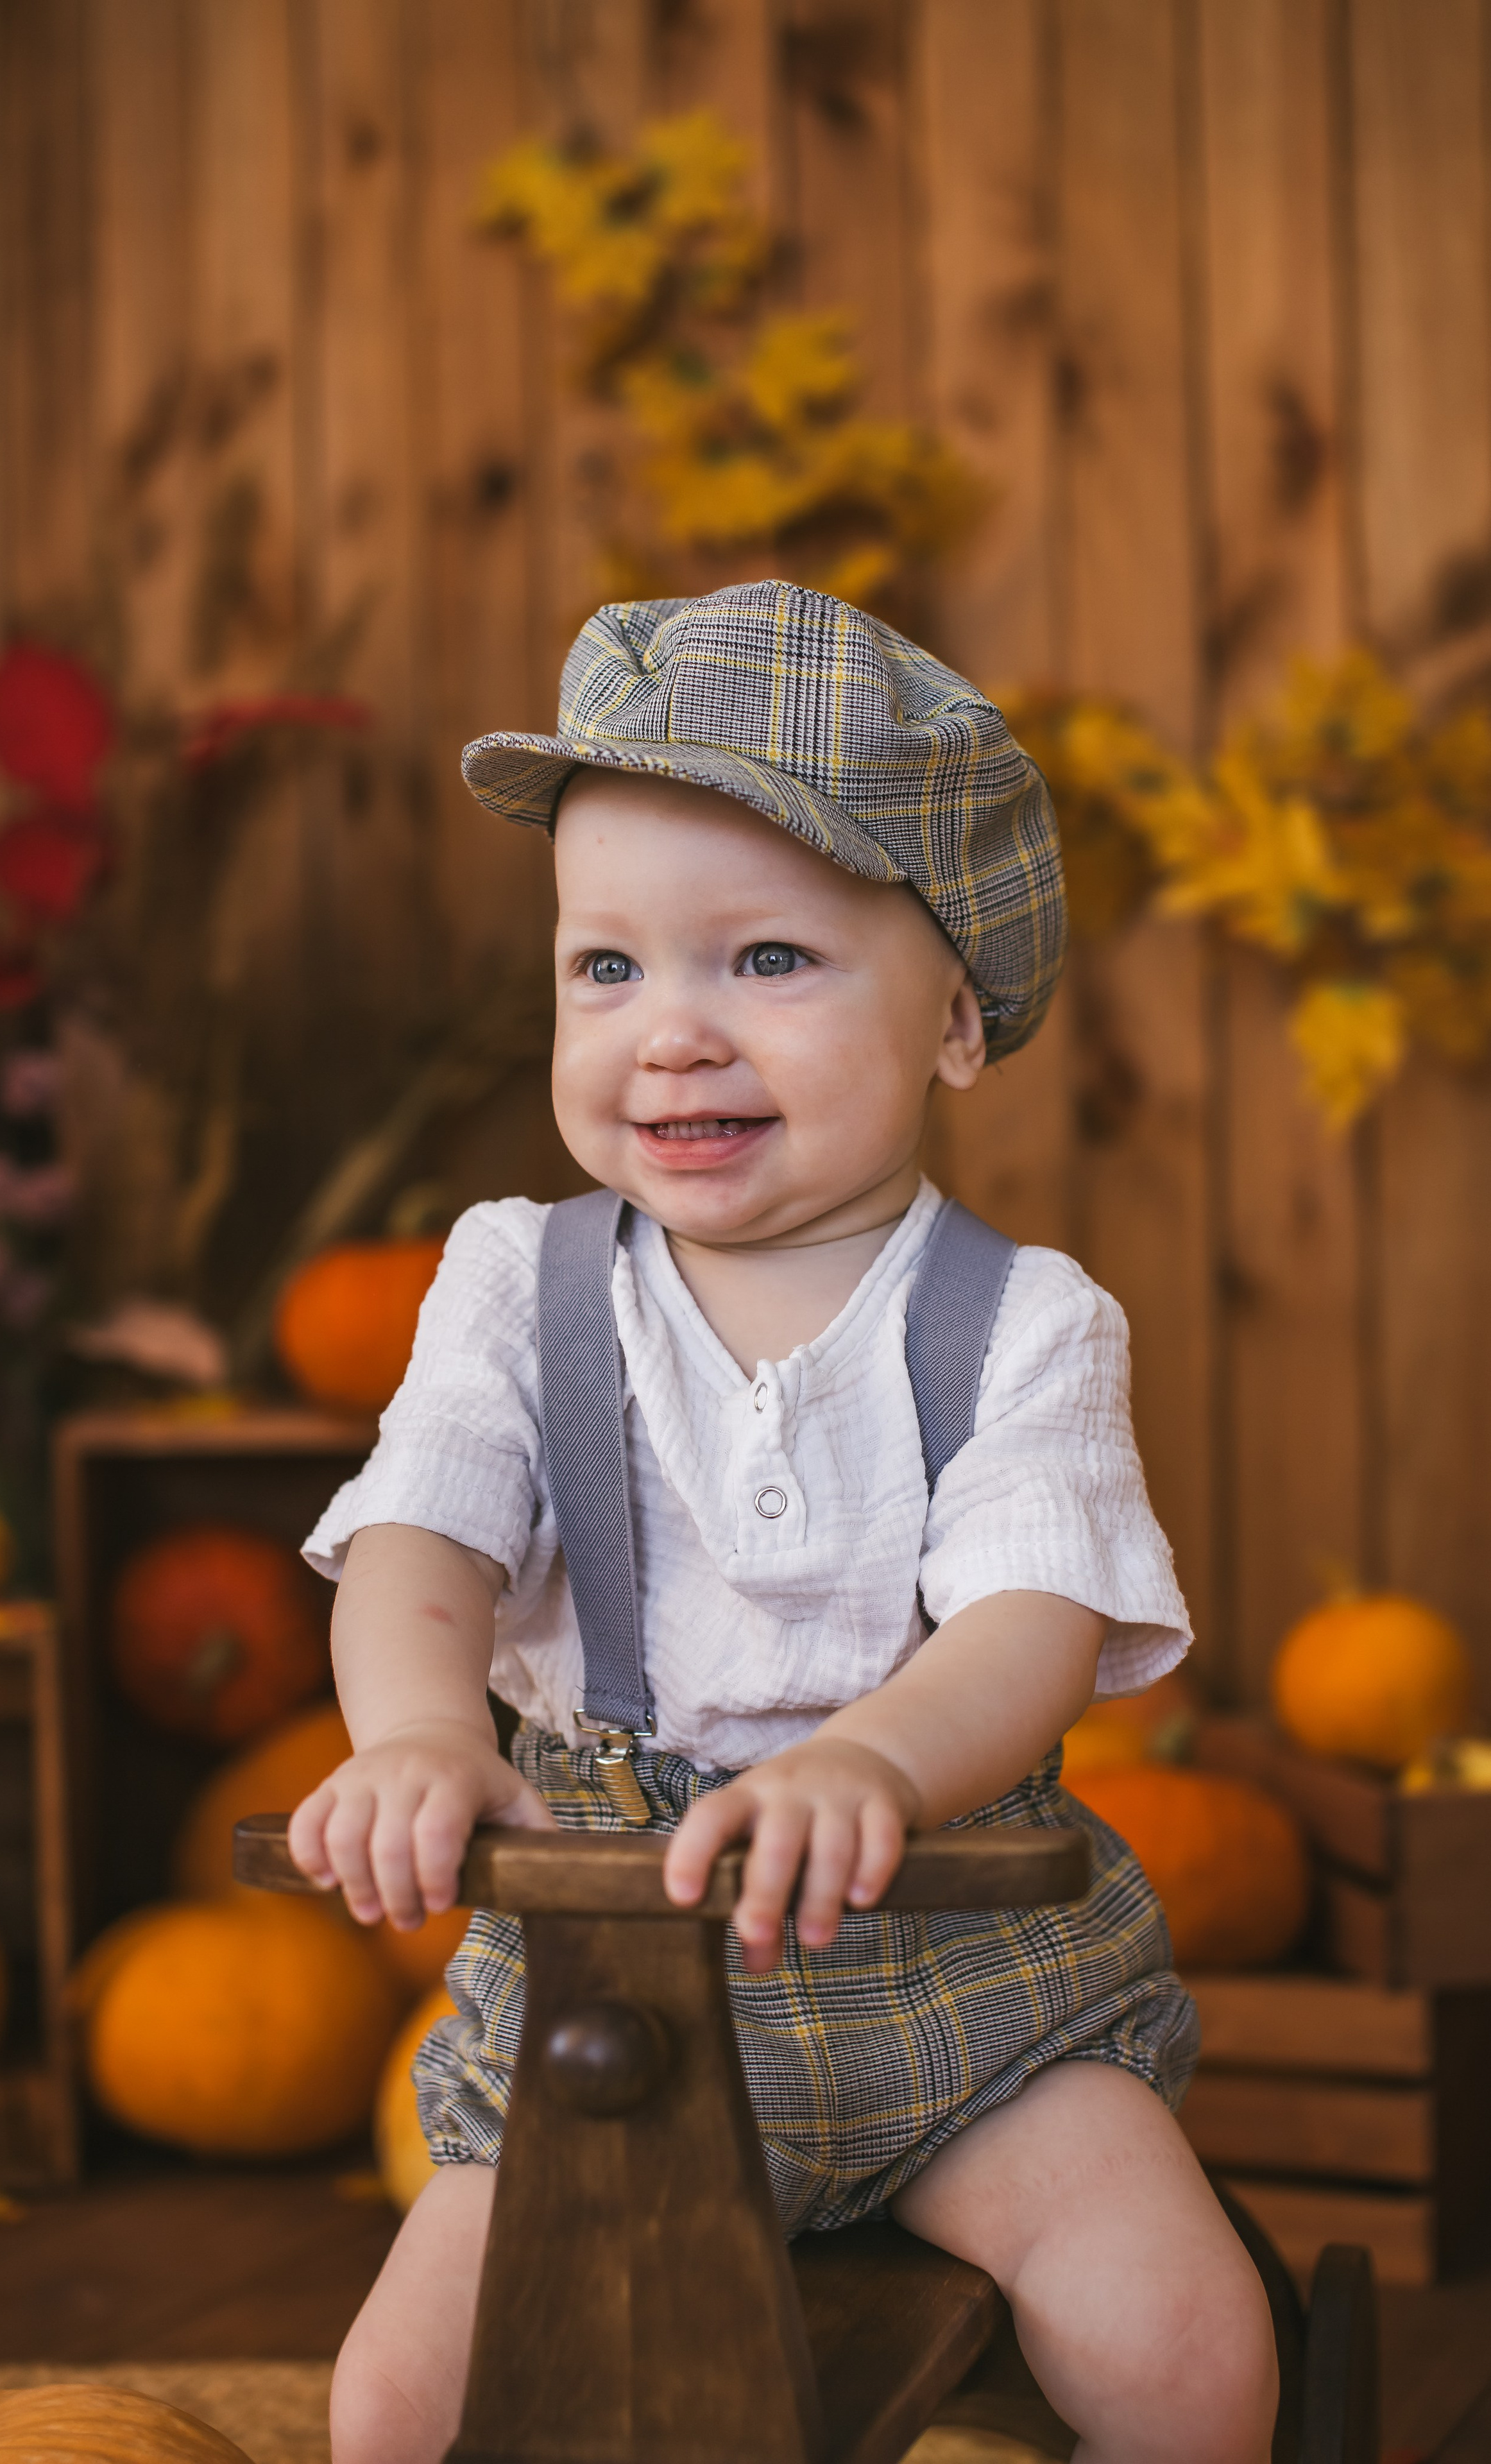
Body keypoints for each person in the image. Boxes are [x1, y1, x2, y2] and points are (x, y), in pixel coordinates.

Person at [294, 583, 1277, 2464]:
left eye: (767, 959)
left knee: (1183, 2343)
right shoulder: (517, 1284)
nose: (671, 1035)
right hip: (610, 1981)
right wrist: (416, 1737)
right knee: (399, 2406)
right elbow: (423, 1541)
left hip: (967, 1991)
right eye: (607, 968)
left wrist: (871, 1765)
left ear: (958, 1020)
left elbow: (1031, 1624)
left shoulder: (1024, 1323)